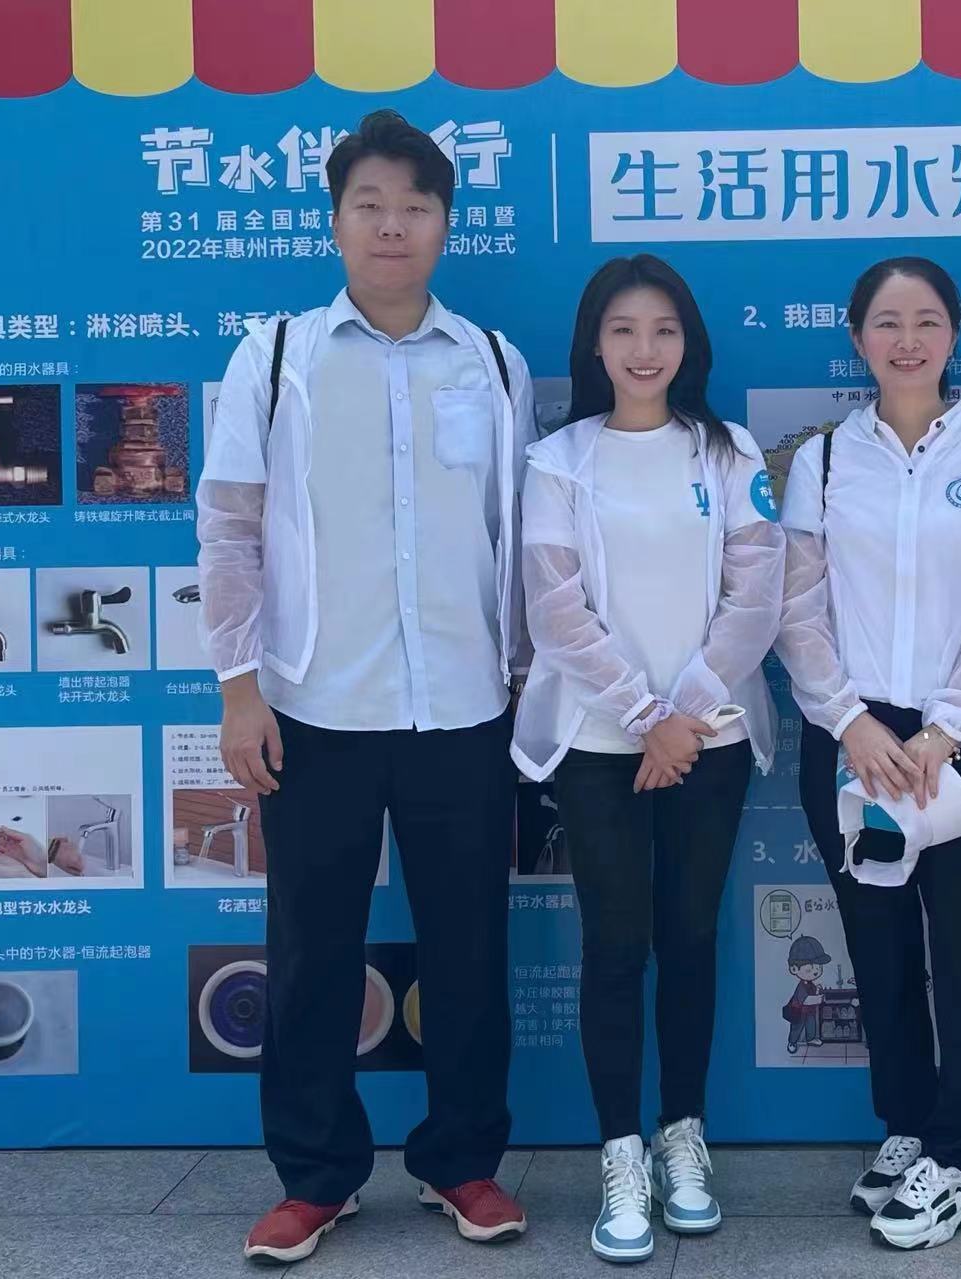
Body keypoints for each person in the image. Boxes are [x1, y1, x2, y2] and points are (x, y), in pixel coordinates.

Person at [196, 108, 533, 1265]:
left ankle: (462, 1161)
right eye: (369, 206)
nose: (393, 226)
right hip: (313, 710)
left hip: (464, 707)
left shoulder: (493, 362)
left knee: (470, 948)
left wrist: (523, 682)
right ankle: (315, 1175)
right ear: (334, 222)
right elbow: (229, 527)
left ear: (445, 223)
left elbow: (514, 536)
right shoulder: (276, 356)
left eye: (415, 206)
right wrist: (239, 688)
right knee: (309, 953)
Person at [509, 253, 783, 1264]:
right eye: (622, 329)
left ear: (688, 344)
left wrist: (687, 713)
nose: (643, 348)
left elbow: (757, 591)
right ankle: (620, 1153)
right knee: (616, 944)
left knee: (690, 938)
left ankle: (683, 1138)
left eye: (662, 329)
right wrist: (641, 713)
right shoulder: (558, 461)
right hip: (596, 743)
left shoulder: (728, 450)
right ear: (594, 344)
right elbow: (554, 607)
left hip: (710, 738)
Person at [776, 257, 961, 1252]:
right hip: (851, 737)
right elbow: (796, 604)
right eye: (886, 322)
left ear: (953, 333)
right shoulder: (823, 461)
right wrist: (848, 719)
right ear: (856, 337)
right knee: (878, 945)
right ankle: (908, 1125)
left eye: (926, 320)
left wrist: (947, 728)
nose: (906, 339)